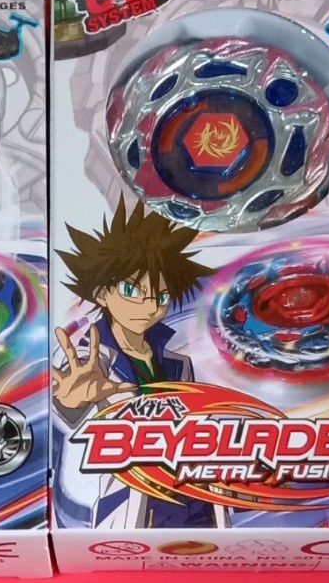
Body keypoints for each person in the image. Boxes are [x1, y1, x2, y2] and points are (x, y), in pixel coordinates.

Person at [53, 195, 223, 528]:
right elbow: (66, 440)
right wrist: (68, 406)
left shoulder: (178, 363)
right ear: (102, 293)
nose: (150, 305)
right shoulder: (89, 360)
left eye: (161, 295)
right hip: (130, 513)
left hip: (191, 503)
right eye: (132, 291)